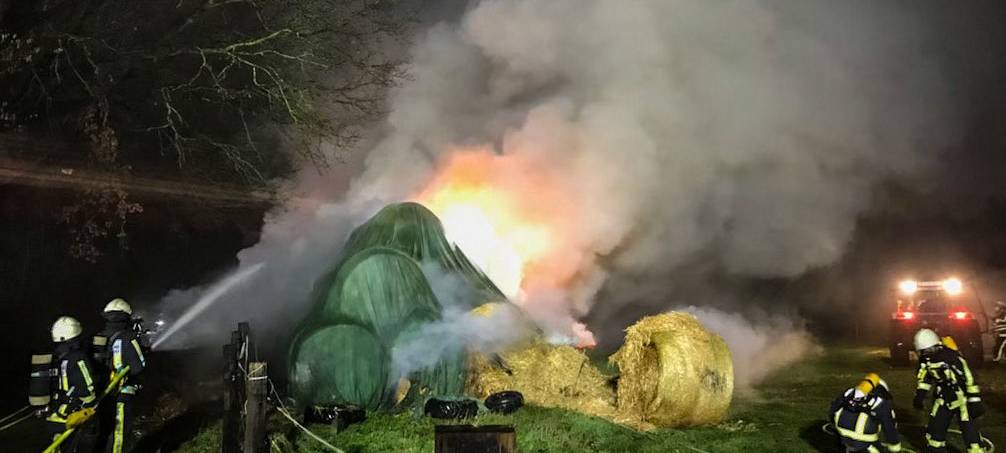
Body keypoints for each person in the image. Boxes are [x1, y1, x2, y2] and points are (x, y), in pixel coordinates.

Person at [913, 328, 986, 453]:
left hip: (962, 398)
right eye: (923, 352)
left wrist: (975, 400)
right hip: (943, 397)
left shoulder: (950, 357)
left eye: (926, 351)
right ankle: (936, 449)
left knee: (969, 430)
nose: (925, 354)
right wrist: (920, 395)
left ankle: (977, 450)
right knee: (936, 428)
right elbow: (925, 378)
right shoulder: (926, 360)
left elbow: (969, 377)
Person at [92, 298, 146, 453]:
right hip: (122, 393)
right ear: (126, 317)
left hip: (102, 394)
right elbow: (139, 367)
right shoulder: (129, 337)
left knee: (103, 431)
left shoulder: (98, 337)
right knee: (120, 433)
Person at [46, 316, 99, 453]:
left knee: (56, 447)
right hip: (70, 415)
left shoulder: (56, 357)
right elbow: (87, 387)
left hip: (54, 413)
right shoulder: (77, 358)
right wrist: (90, 406)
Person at [829, 373, 903, 452]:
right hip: (866, 445)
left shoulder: (849, 393)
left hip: (842, 440)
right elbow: (889, 428)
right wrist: (895, 446)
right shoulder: (881, 403)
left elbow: (832, 412)